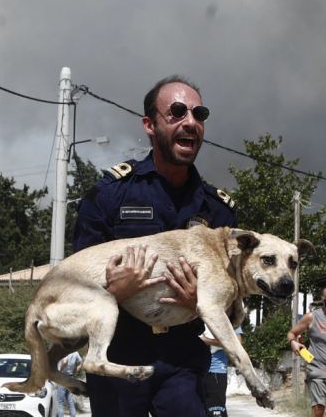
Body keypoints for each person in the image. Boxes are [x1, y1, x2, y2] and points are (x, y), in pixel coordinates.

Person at [72, 75, 238, 417]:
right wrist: (113, 290)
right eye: (177, 112)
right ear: (150, 124)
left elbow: (234, 299)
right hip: (118, 357)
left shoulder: (218, 211)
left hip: (183, 361)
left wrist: (201, 303)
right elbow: (76, 283)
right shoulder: (110, 195)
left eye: (199, 114)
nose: (190, 121)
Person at [287, 286, 326, 417]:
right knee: (318, 408)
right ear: (322, 299)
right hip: (317, 369)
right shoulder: (311, 317)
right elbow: (292, 333)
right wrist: (293, 342)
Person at [200, 325, 243, 417]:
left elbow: (236, 343)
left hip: (215, 372)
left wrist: (206, 340)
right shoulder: (197, 314)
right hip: (195, 372)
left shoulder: (230, 316)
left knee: (216, 411)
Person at [56, 351, 83, 417]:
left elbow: (65, 361)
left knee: (60, 402)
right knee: (70, 402)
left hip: (62, 377)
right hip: (71, 377)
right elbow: (81, 362)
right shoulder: (75, 352)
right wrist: (75, 371)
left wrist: (59, 371)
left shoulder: (65, 349)